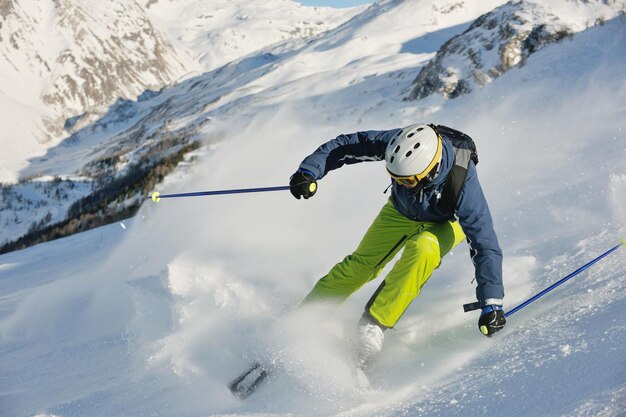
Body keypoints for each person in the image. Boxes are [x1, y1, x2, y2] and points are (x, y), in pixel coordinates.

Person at [289, 123, 506, 368]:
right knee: (359, 266)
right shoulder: (398, 142)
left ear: (430, 171)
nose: (401, 185)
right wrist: (308, 172)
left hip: (446, 222)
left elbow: (485, 243)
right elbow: (346, 145)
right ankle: (304, 317)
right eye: (395, 179)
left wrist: (491, 303)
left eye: (408, 181)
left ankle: (374, 325)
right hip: (400, 212)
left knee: (423, 248)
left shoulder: (463, 179)